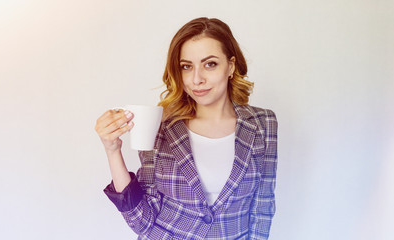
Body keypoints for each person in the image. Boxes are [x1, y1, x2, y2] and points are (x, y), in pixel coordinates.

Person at [95, 17, 278, 240]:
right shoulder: (162, 127)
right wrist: (112, 150)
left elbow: (262, 208)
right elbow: (141, 221)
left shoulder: (263, 123)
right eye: (186, 67)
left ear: (230, 66)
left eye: (210, 64)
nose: (196, 79)